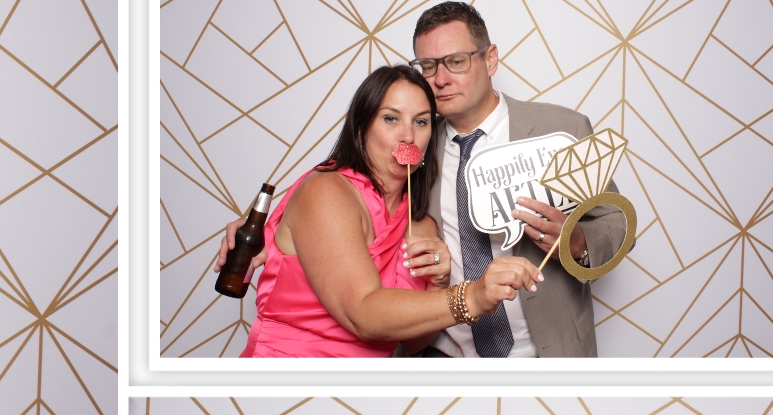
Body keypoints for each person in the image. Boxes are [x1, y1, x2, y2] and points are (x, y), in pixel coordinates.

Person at [218, 67, 545, 357]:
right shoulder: (326, 192)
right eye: (391, 118)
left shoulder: (421, 225)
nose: (408, 135)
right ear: (361, 128)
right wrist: (472, 296)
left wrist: (438, 283)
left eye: (421, 122)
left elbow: (415, 343)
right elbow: (362, 314)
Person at [411, 1, 627, 357]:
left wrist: (577, 242)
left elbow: (615, 222)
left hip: (549, 354)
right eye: (428, 66)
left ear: (490, 59)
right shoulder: (415, 148)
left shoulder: (562, 130)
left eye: (456, 61)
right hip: (447, 356)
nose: (440, 79)